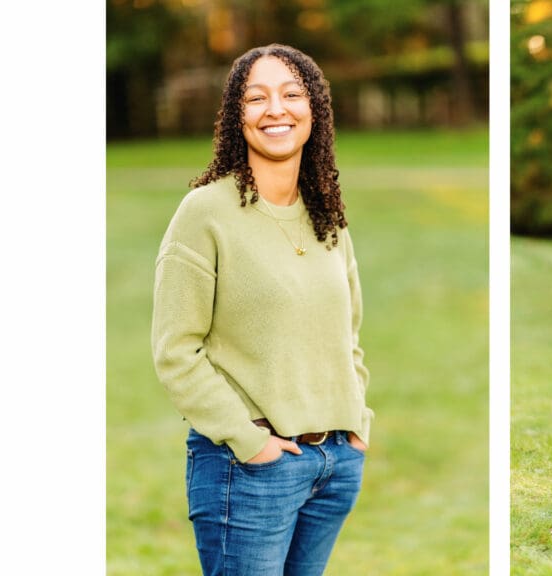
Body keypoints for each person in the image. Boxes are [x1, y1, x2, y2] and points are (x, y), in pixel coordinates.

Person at [151, 43, 373, 575]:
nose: (277, 109)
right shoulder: (205, 212)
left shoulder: (327, 218)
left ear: (314, 110)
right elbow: (176, 349)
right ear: (236, 116)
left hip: (334, 464)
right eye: (257, 97)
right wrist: (248, 441)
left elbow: (350, 336)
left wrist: (355, 424)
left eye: (292, 94)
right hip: (247, 467)